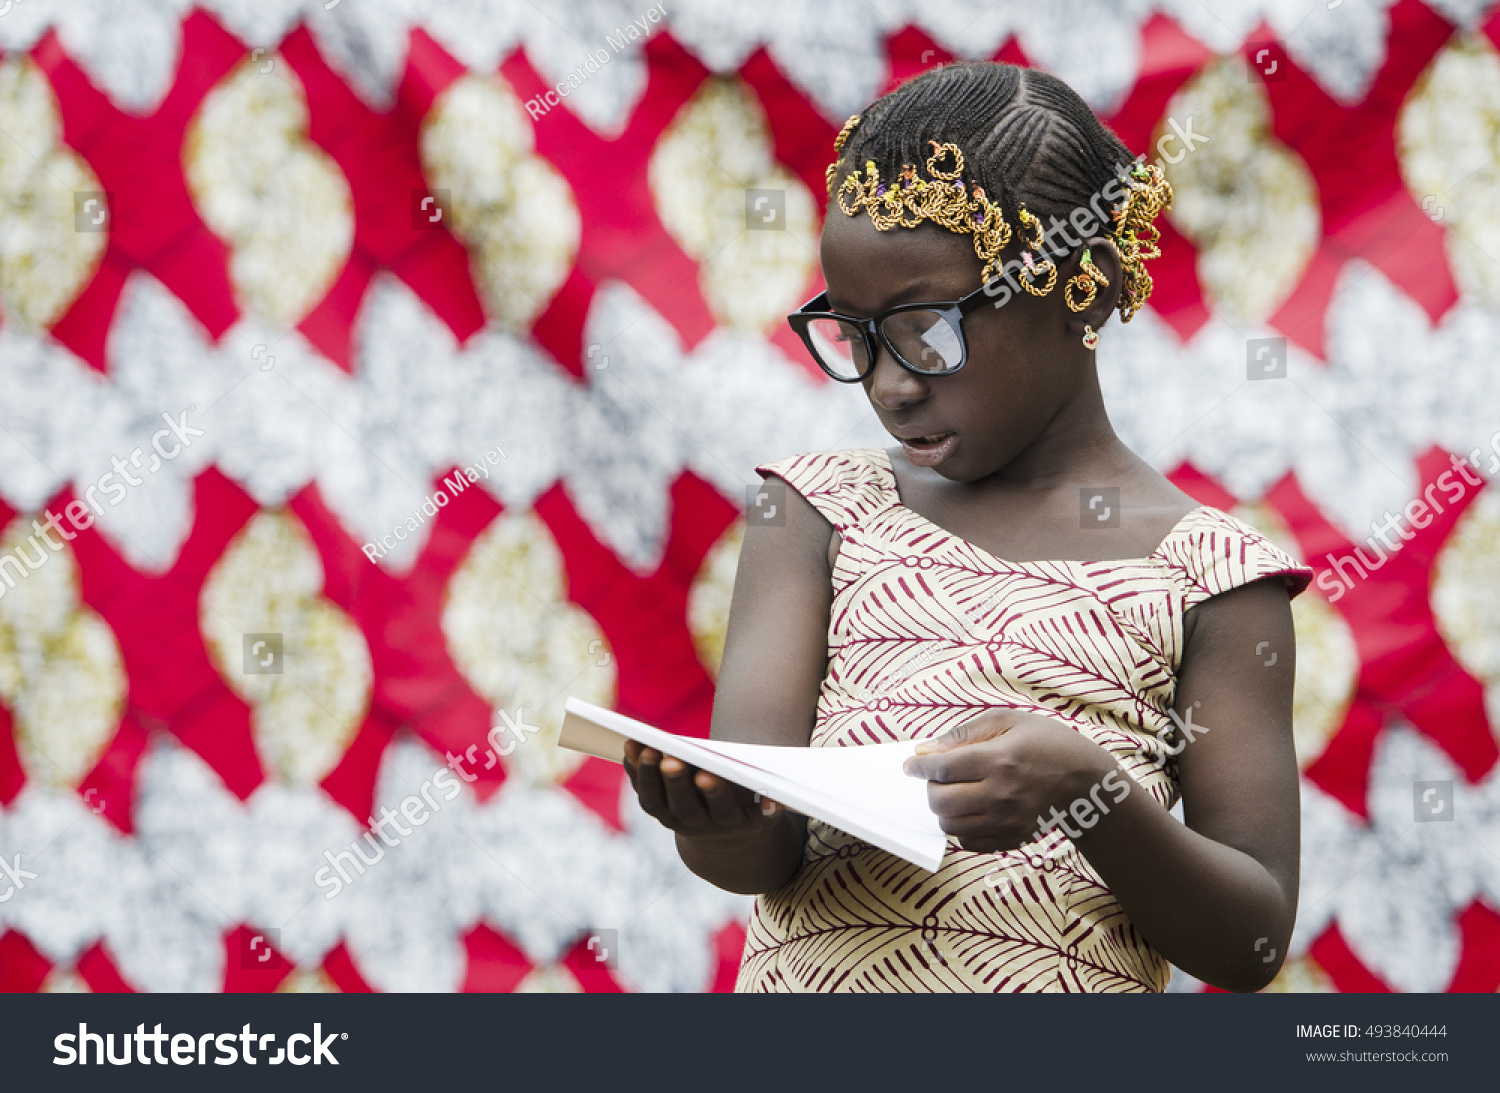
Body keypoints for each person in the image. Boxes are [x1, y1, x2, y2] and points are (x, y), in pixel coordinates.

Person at [623, 60, 1312, 993]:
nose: (890, 382)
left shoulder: (1212, 581)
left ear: (1087, 288)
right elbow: (764, 852)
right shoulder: (816, 513)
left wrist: (1085, 794)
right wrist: (717, 821)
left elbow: (1254, 939)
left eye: (928, 328)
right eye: (854, 334)